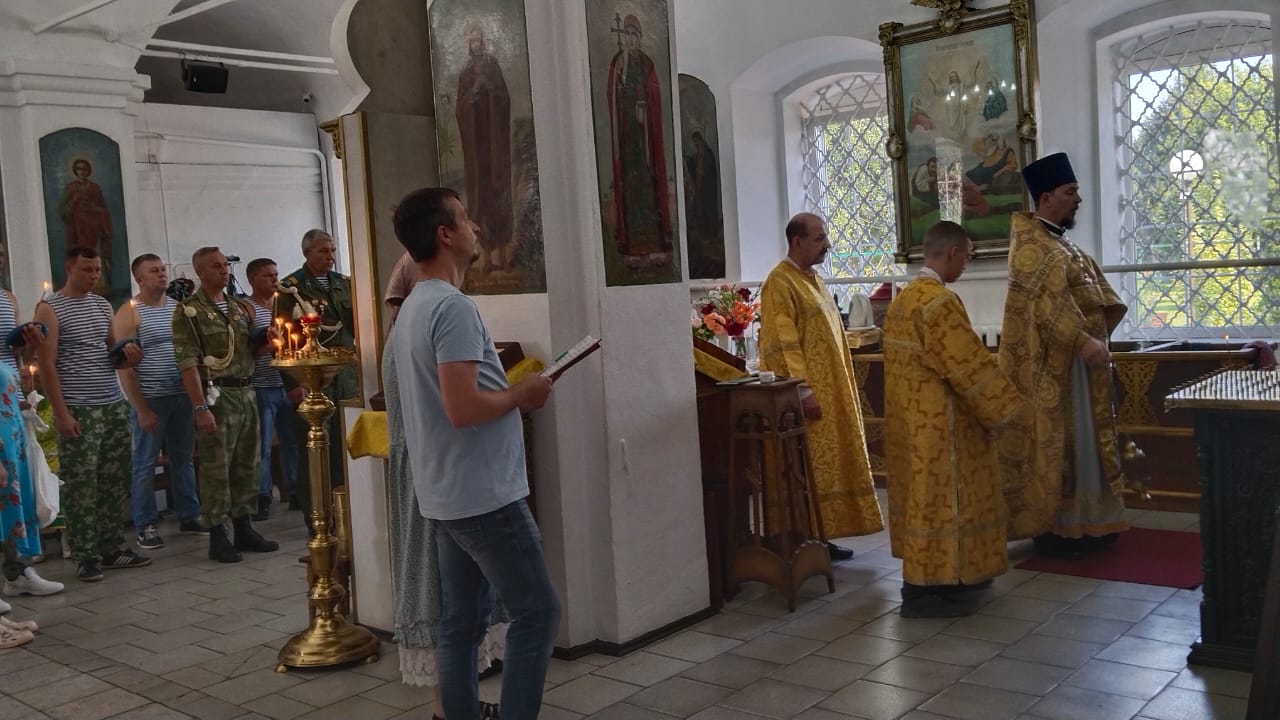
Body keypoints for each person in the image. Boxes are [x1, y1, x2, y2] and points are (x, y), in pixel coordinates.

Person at [390, 187, 559, 720]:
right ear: (444, 234)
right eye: (465, 219)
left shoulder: (413, 306)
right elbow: (462, 408)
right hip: (483, 493)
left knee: (462, 621)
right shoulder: (451, 307)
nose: (476, 228)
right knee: (538, 612)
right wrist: (522, 394)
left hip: (446, 491)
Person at [882, 221, 1021, 617]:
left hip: (910, 423)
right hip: (943, 426)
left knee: (924, 502)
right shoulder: (939, 302)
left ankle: (952, 577)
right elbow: (967, 365)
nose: (966, 265)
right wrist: (1005, 407)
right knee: (945, 504)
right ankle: (927, 589)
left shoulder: (903, 300)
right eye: (968, 257)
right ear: (954, 253)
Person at [997, 152, 1130, 558]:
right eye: (1071, 192)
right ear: (1047, 197)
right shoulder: (1031, 246)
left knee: (1086, 443)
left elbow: (1091, 290)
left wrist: (1098, 333)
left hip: (1081, 366)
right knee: (1066, 445)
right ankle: (1061, 526)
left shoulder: (1059, 242)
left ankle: (1093, 519)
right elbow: (1046, 304)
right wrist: (1084, 341)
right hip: (1056, 369)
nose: (1078, 199)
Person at [758, 213, 885, 560]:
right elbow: (782, 344)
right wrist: (803, 391)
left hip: (833, 392)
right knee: (809, 468)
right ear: (797, 241)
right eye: (819, 238)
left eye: (825, 237)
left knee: (828, 467)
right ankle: (805, 539)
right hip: (810, 397)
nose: (827, 244)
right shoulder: (779, 283)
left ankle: (822, 535)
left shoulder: (813, 280)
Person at [35, 246, 150, 581]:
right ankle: (86, 555)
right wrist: (61, 414)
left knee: (114, 480)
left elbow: (114, 353)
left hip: (111, 403)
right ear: (69, 268)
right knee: (82, 484)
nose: (94, 276)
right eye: (87, 270)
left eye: (97, 270)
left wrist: (130, 356)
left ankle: (112, 547)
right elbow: (47, 365)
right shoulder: (50, 308)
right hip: (78, 406)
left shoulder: (101, 305)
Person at [173, 247, 279, 563]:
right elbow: (188, 362)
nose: (224, 271)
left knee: (247, 463)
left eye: (225, 265)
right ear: (200, 272)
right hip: (217, 396)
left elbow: (248, 351)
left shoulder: (239, 307)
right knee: (216, 468)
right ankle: (218, 534)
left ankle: (244, 526)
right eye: (216, 266)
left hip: (246, 392)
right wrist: (199, 407)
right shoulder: (189, 311)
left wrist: (268, 342)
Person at [113, 254, 202, 550]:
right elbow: (124, 367)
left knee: (183, 459)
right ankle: (146, 524)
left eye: (163, 269)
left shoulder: (178, 308)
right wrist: (141, 408)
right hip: (151, 398)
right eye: (154, 271)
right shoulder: (130, 312)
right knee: (145, 463)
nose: (162, 274)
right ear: (139, 279)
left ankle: (189, 514)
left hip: (180, 394)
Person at [276, 229, 356, 531]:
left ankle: (344, 514)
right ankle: (317, 520)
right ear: (307, 253)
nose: (330, 256)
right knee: (314, 448)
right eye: (323, 251)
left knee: (343, 446)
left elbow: (355, 327)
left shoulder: (344, 284)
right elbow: (283, 340)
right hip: (311, 377)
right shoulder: (291, 288)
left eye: (332, 250)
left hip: (345, 376)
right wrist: (293, 384)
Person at [0, 242, 64, 604]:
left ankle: (19, 572)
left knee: (16, 486)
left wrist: (29, 348)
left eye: (1, 256)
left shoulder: (7, 299)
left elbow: (13, 354)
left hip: (9, 398)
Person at [606, 13, 675, 267]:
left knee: (647, 187)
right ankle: (632, 246)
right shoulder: (618, 63)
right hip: (627, 138)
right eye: (627, 35)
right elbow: (611, 94)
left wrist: (644, 105)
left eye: (634, 35)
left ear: (640, 38)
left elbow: (654, 91)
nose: (631, 40)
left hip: (645, 138)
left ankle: (654, 244)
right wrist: (623, 98)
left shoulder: (646, 63)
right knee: (629, 190)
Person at [456, 23, 514, 275]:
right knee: (481, 200)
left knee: (499, 195)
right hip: (477, 151)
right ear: (469, 45)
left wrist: (489, 89)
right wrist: (472, 96)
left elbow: (504, 98)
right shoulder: (465, 73)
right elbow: (460, 108)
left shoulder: (492, 66)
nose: (476, 44)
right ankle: (487, 259)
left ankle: (503, 256)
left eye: (479, 39)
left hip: (495, 147)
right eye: (473, 40)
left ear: (484, 41)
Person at [244, 258, 300, 520]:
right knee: (263, 445)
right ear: (253, 279)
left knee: (292, 441)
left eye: (276, 274)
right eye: (268, 276)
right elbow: (246, 350)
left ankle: (295, 490)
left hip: (287, 384)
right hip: (262, 385)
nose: (275, 280)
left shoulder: (284, 304)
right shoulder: (247, 309)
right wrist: (266, 347)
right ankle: (262, 495)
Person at [58, 158, 114, 278]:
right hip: (77, 229)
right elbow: (63, 210)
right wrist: (74, 201)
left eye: (84, 169)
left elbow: (103, 209)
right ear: (75, 171)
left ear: (88, 171)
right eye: (79, 169)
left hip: (94, 228)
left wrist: (93, 207)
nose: (82, 171)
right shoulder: (71, 188)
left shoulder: (95, 188)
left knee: (95, 255)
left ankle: (99, 284)